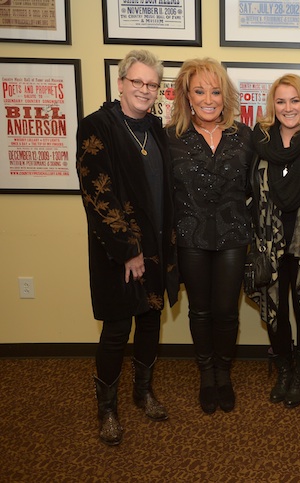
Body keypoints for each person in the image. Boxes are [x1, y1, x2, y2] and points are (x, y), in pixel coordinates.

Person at [76, 49, 179, 446]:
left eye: (152, 84)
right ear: (120, 83)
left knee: (150, 321)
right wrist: (128, 250)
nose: (144, 89)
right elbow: (98, 197)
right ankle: (107, 409)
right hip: (116, 252)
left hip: (156, 248)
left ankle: (143, 392)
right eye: (136, 81)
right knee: (118, 328)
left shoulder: (155, 128)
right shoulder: (96, 127)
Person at [166, 58, 253, 414]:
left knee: (227, 311)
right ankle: (207, 375)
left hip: (234, 236)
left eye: (215, 91)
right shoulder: (169, 137)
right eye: (200, 90)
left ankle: (225, 374)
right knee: (200, 311)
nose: (208, 98)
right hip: (191, 238)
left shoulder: (244, 136)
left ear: (225, 96)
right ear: (186, 95)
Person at [248, 74, 300, 408]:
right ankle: (284, 368)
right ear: (272, 106)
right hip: (268, 241)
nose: (288, 108)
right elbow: (247, 189)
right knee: (276, 306)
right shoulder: (259, 141)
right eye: (280, 101)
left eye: (295, 100)